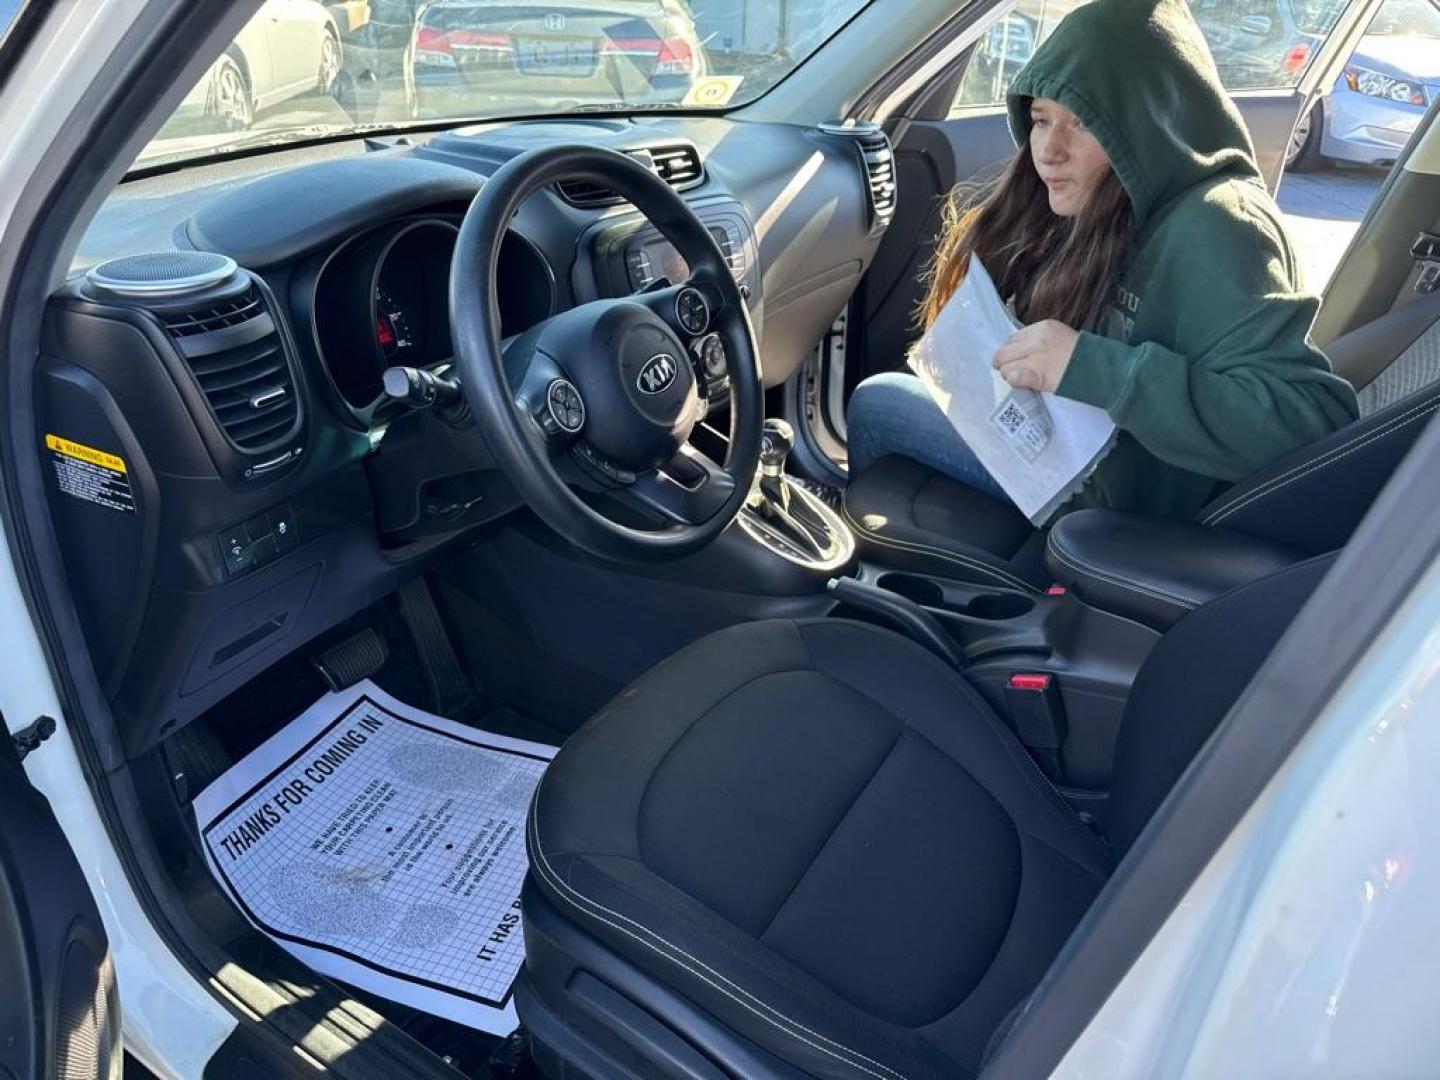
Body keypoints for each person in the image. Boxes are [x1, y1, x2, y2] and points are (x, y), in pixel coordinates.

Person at [845, 0, 1359, 521]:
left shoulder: (1221, 227)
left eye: (1086, 124)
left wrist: (1093, 368)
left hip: (1116, 510)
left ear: (1150, 124)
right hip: (1076, 465)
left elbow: (1313, 427)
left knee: (877, 402)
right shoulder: (1108, 207)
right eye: (1041, 120)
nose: (1048, 150)